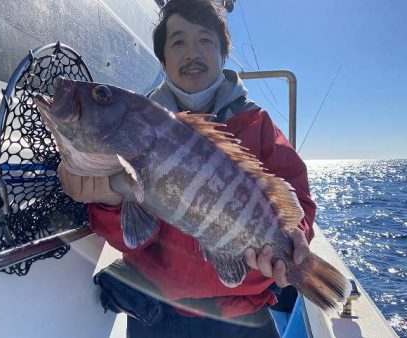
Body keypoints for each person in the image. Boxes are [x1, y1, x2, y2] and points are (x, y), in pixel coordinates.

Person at [58, 0, 316, 337]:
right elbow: (132, 238)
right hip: (157, 312)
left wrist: (294, 243)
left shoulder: (259, 125)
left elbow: (298, 206)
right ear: (163, 60)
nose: (191, 52)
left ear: (223, 54)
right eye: (177, 42)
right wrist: (110, 200)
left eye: (205, 40)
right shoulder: (131, 131)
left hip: (243, 316)